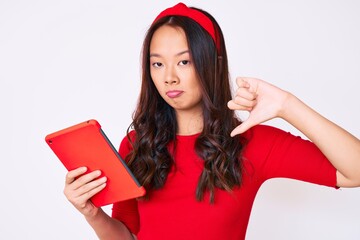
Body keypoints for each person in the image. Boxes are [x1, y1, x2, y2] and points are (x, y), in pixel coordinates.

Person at [63, 2, 360, 240]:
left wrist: (287, 105)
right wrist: (91, 213)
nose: (169, 77)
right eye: (157, 63)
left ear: (212, 63)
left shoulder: (252, 142)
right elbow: (126, 236)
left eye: (184, 61)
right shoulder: (136, 145)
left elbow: (355, 171)